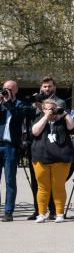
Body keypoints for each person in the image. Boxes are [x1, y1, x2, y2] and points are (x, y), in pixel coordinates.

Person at [30, 99, 74, 223]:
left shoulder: (62, 120)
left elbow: (73, 128)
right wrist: (46, 116)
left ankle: (59, 213)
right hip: (41, 157)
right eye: (48, 108)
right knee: (43, 187)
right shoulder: (39, 118)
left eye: (53, 108)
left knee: (58, 186)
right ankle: (41, 214)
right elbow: (35, 131)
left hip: (61, 159)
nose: (52, 111)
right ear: (43, 109)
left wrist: (65, 114)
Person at [27, 76, 67, 221]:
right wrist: (34, 102)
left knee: (54, 182)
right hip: (37, 143)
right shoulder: (35, 101)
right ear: (41, 87)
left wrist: (45, 108)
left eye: (49, 86)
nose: (47, 89)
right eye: (44, 86)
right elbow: (31, 119)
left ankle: (54, 210)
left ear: (54, 87)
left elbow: (57, 120)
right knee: (38, 181)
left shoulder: (59, 102)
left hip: (54, 145)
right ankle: (38, 210)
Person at [0, 80, 27, 222]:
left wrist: (9, 102)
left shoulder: (19, 104)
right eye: (4, 88)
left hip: (11, 146)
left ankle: (8, 212)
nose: (6, 91)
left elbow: (18, 118)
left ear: (16, 90)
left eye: (10, 89)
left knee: (10, 180)